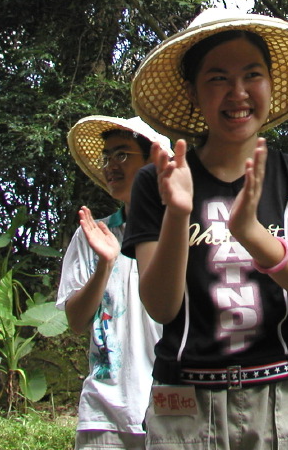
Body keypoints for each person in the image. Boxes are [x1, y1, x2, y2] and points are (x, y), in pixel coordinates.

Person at [123, 8, 288, 450]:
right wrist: (177, 213)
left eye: (252, 75)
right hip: (184, 402)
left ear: (269, 83)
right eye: (218, 78)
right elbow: (161, 307)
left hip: (285, 398)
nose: (238, 92)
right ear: (193, 91)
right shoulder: (158, 182)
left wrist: (254, 235)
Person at [57, 115, 168, 450]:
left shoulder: (184, 233)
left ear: (154, 160)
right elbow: (76, 321)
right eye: (107, 157)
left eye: (122, 155)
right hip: (104, 414)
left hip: (173, 406)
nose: (110, 166)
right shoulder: (92, 235)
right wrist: (105, 264)